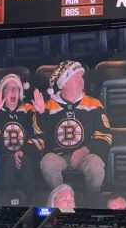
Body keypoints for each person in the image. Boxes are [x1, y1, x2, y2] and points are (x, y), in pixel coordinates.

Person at [36, 60, 111, 197]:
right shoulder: (48, 106)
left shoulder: (94, 104)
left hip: (86, 155)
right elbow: (40, 134)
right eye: (76, 77)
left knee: (95, 165)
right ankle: (61, 198)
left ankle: (92, 200)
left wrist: (85, 149)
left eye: (81, 76)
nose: (81, 80)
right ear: (64, 83)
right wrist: (41, 114)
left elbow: (105, 136)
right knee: (47, 163)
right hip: (58, 156)